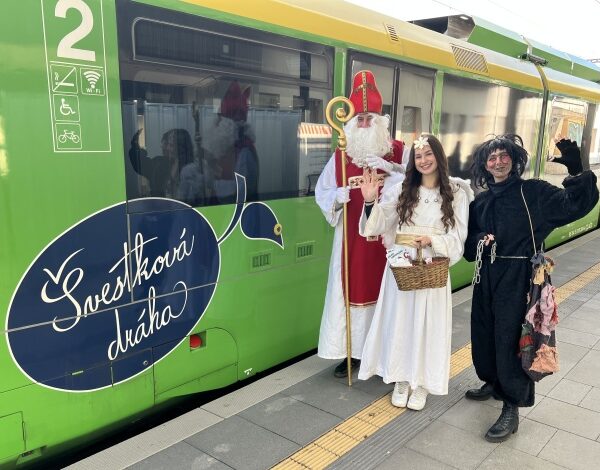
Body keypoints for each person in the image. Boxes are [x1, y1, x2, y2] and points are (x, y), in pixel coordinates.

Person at [464, 134, 598, 442]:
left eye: (504, 156)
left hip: (519, 276)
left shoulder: (532, 192)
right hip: (486, 275)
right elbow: (468, 243)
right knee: (484, 332)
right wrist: (480, 240)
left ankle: (511, 405)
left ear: (514, 161)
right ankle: (492, 381)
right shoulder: (480, 202)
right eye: (492, 158)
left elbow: (575, 205)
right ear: (485, 165)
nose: (498, 162)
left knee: (512, 339)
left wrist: (577, 171)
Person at [357, 134, 472, 410]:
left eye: (428, 154)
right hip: (402, 267)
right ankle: (400, 378)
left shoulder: (456, 192)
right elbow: (379, 223)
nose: (423, 160)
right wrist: (370, 201)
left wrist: (433, 241)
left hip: (432, 266)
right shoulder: (403, 189)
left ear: (439, 156)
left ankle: (421, 383)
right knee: (400, 322)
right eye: (418, 156)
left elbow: (459, 237)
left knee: (428, 326)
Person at [315, 70, 405, 378]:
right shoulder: (342, 155)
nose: (364, 124)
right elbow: (322, 191)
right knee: (349, 291)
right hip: (351, 241)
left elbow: (419, 185)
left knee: (387, 293)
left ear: (380, 121)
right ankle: (352, 353)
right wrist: (337, 196)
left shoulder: (399, 152)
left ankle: (382, 354)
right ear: (351, 124)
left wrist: (393, 168)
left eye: (369, 119)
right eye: (360, 119)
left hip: (388, 240)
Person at [202, 81, 259, 203]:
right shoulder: (225, 149)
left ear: (228, 125)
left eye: (220, 119)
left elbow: (241, 189)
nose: (217, 123)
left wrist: (213, 183)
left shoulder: (244, 151)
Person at [129, 128, 204, 205]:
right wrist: (135, 144)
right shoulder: (159, 163)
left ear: (180, 147)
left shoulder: (191, 169)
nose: (165, 148)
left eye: (170, 145)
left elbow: (194, 200)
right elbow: (140, 164)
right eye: (166, 144)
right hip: (159, 209)